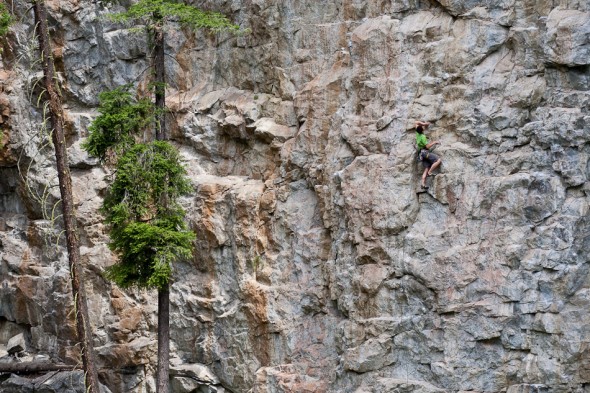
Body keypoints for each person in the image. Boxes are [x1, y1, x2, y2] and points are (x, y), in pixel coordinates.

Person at [415, 120, 441, 189]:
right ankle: (430, 172)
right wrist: (434, 142)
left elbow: (416, 122)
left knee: (426, 168)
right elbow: (427, 146)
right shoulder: (423, 137)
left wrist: (424, 123)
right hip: (425, 153)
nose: (424, 127)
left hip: (421, 154)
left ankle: (423, 184)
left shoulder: (417, 134)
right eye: (423, 127)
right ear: (422, 129)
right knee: (438, 160)